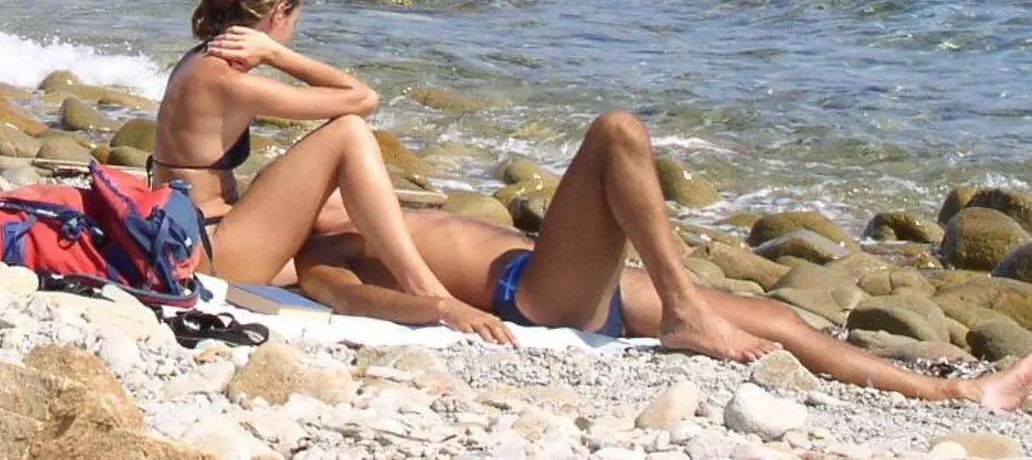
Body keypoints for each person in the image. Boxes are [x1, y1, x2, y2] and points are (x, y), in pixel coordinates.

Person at [295, 111, 1032, 407]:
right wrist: (440, 308)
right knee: (618, 132)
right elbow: (349, 297)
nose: (337, 190)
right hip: (538, 297)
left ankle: (958, 396)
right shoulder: (321, 251)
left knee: (778, 317)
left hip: (580, 279)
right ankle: (684, 310)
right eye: (324, 188)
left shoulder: (378, 210)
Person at [151, 0, 503, 339]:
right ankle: (426, 289)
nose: (293, 32)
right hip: (214, 252)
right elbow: (362, 99)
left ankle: (433, 273)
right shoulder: (224, 79)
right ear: (278, 12)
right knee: (348, 133)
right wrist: (277, 55)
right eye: (294, 21)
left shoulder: (200, 60)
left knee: (340, 209)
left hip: (198, 237)